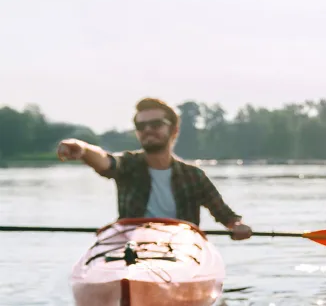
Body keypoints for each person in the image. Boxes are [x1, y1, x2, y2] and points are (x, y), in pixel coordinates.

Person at [55, 97, 252, 239]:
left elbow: (226, 216)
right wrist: (82, 149)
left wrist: (237, 226)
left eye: (156, 124)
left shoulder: (194, 176)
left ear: (173, 130)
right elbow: (105, 162)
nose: (148, 130)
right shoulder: (128, 165)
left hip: (181, 247)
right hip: (132, 245)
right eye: (141, 126)